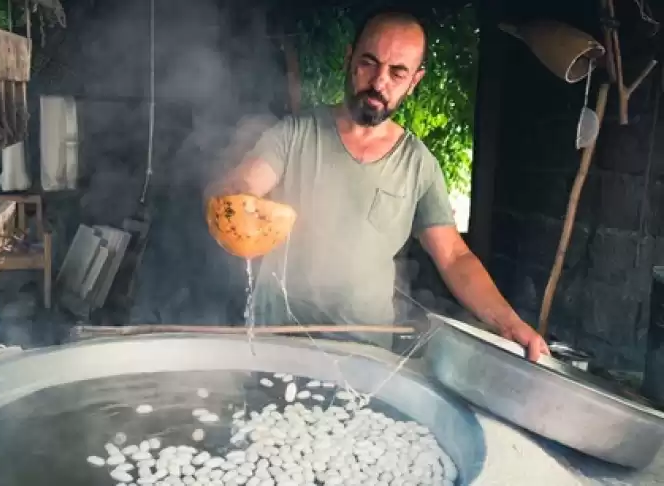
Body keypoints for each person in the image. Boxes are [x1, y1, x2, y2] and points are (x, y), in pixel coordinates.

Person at [206, 10, 550, 361]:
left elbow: (454, 256)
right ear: (349, 59)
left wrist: (508, 322)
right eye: (369, 63)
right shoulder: (294, 134)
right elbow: (245, 186)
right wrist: (233, 197)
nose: (378, 81)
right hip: (275, 342)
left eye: (397, 72)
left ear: (414, 81)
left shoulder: (418, 165)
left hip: (365, 355)